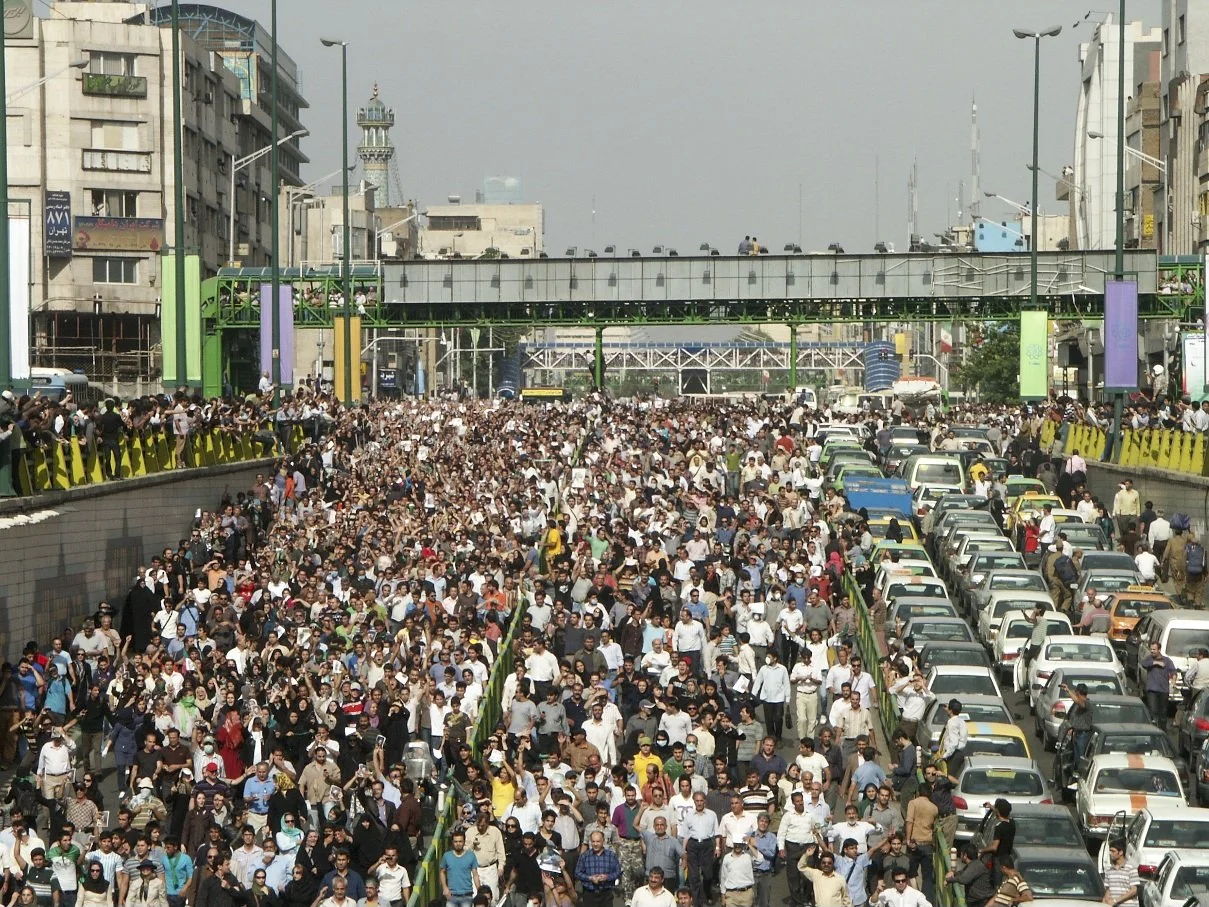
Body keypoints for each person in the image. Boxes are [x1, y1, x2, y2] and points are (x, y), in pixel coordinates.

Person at [574, 831, 622, 907]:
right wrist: (589, 878)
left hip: (606, 894)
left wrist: (607, 877)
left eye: (598, 841)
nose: (595, 844)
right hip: (589, 894)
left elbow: (618, 872)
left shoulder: (611, 856)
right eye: (593, 841)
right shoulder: (585, 856)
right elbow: (577, 873)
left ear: (603, 841)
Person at [1140, 642, 1176, 726]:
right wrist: (1156, 663)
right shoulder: (1149, 659)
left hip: (1163, 690)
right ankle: (1153, 731)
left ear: (1159, 650)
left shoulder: (1167, 660)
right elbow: (1144, 664)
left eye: (1154, 649)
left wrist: (1173, 680)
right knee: (1153, 711)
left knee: (1163, 713)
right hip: (1152, 690)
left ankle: (1162, 732)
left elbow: (1173, 671)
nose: (1152, 651)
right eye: (1151, 649)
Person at [439, 832, 480, 907]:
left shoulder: (471, 855)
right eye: (456, 841)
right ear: (452, 842)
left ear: (464, 842)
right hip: (451, 895)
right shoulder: (447, 856)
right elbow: (442, 872)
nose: (458, 844)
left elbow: (475, 875)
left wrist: (479, 890)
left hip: (467, 895)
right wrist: (445, 888)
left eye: (460, 841)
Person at [1102, 838, 1140, 907]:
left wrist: (1116, 900)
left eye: (1113, 851)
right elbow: (1108, 891)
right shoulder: (1109, 870)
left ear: (1121, 852)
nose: (1110, 854)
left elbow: (1134, 890)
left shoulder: (1131, 868)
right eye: (1110, 851)